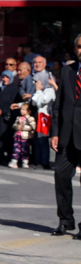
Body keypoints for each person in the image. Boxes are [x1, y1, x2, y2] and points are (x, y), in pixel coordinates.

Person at [50, 33, 81, 236]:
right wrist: (55, 133)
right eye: (79, 46)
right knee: (61, 175)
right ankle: (65, 219)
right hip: (67, 135)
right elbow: (59, 105)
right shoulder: (69, 71)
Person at [32, 72, 56, 169]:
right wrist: (38, 92)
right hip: (39, 118)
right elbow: (34, 102)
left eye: (36, 82)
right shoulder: (41, 90)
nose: (35, 84)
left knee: (43, 140)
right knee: (38, 141)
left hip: (45, 118)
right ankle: (38, 161)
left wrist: (39, 92)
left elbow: (43, 101)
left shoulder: (49, 90)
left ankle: (45, 162)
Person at [12, 103, 35, 168]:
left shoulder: (30, 118)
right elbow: (14, 125)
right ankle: (14, 161)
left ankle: (25, 162)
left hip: (25, 137)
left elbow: (32, 127)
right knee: (16, 149)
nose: (22, 111)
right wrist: (17, 127)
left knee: (24, 149)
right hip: (17, 136)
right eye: (21, 109)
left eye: (24, 109)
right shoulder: (18, 118)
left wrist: (24, 127)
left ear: (28, 111)